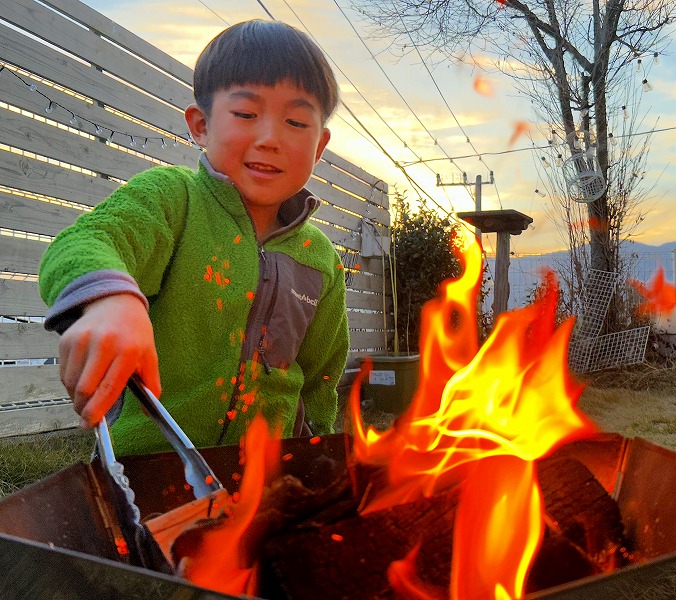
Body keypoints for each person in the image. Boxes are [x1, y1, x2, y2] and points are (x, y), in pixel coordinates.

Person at [38, 20, 350, 456]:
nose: (269, 139)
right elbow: (84, 242)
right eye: (246, 114)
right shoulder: (172, 200)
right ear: (201, 125)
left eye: (296, 122)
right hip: (148, 473)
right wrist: (112, 300)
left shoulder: (320, 260)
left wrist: (320, 449)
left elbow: (321, 374)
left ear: (319, 147)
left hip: (267, 478)